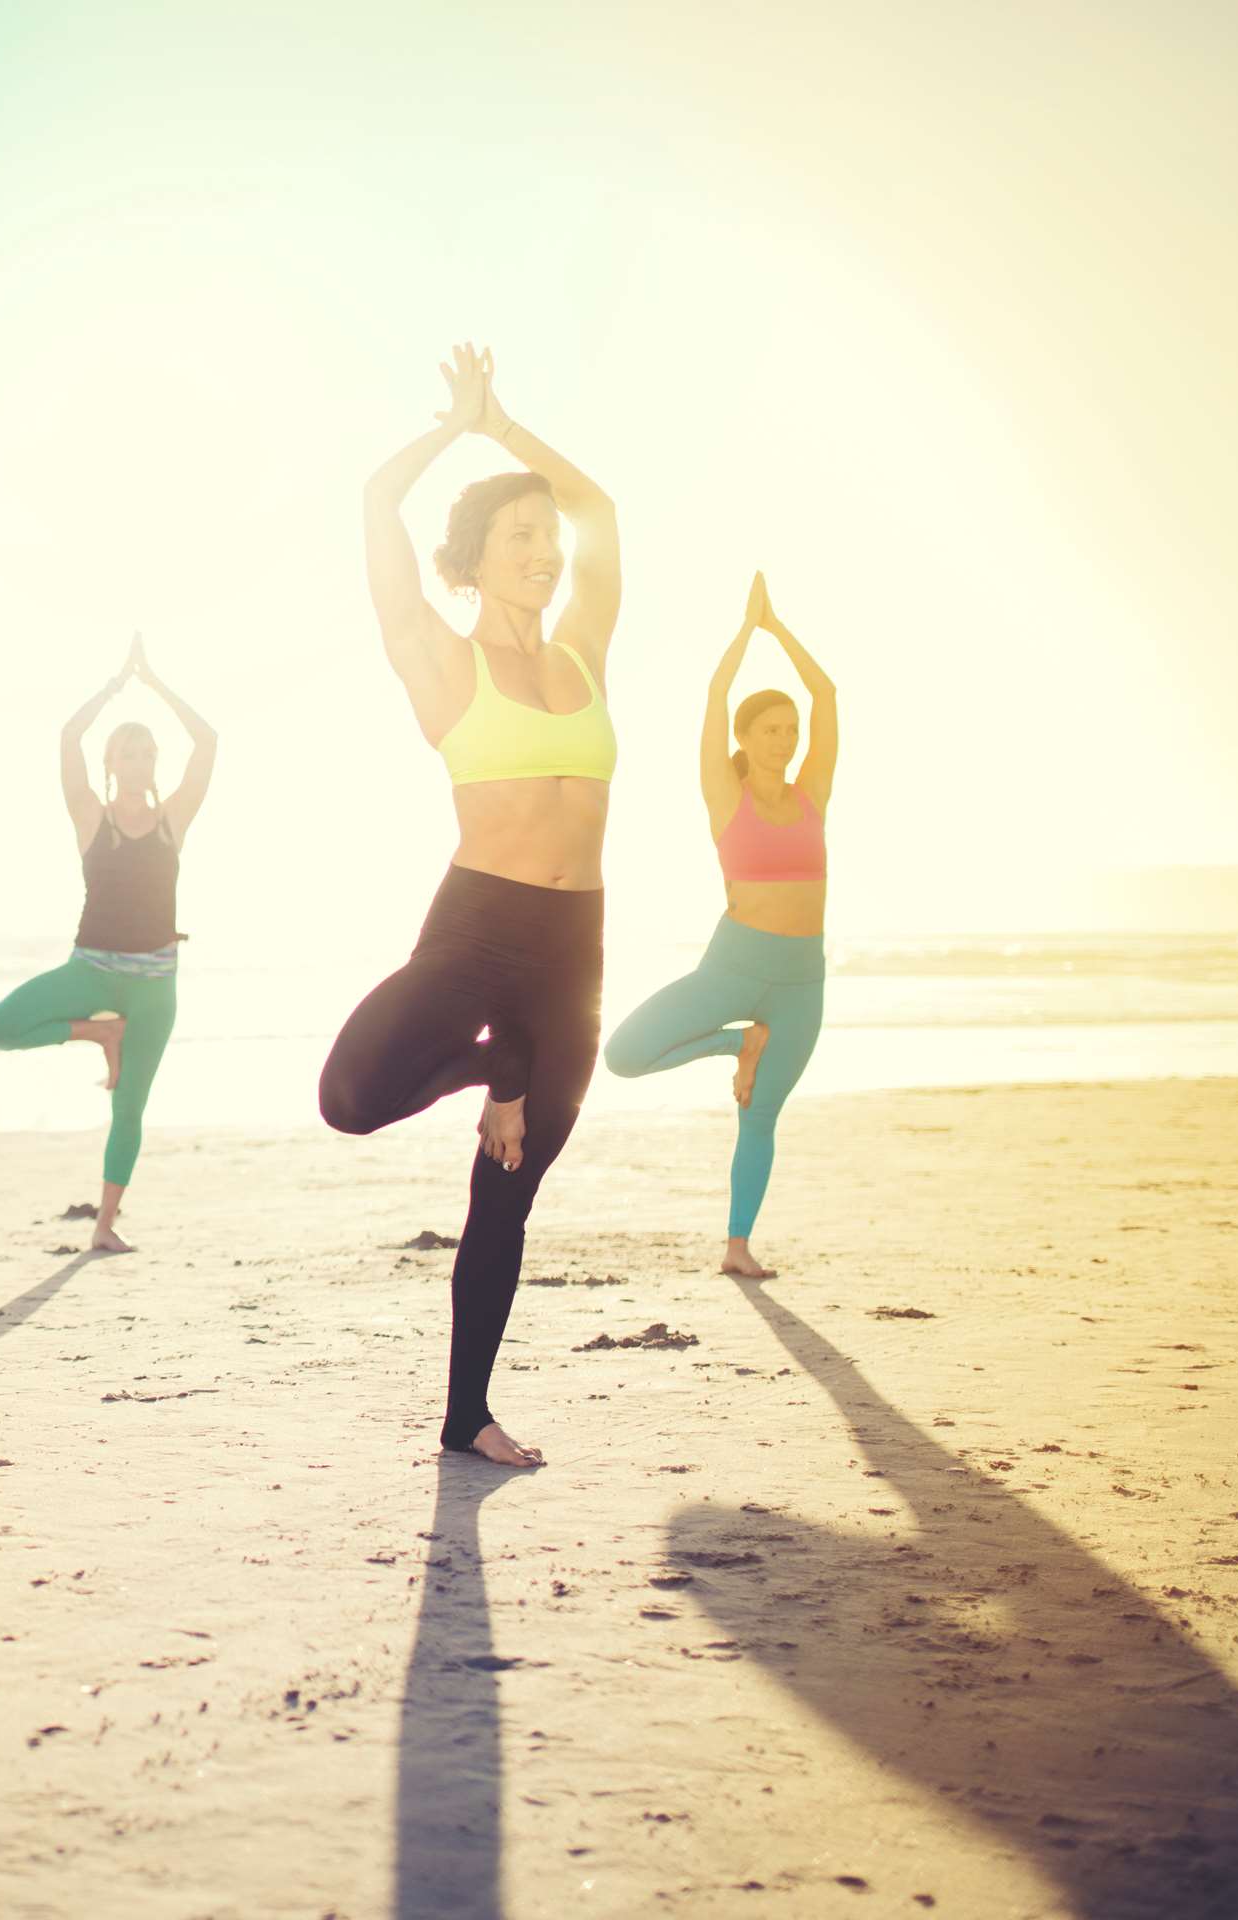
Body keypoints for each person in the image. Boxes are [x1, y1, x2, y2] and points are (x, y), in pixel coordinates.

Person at [318, 344, 620, 1468]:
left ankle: (466, 1415)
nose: (546, 550)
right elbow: (374, 501)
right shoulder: (439, 661)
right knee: (351, 1095)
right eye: (520, 538)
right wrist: (457, 430)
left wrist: (510, 424)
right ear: (477, 562)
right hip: (478, 929)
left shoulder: (586, 652)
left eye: (548, 538)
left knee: (511, 1189)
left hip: (574, 948)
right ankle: (492, 1067)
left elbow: (599, 505)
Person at [603, 572, 837, 1277]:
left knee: (760, 1118)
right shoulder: (724, 796)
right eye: (771, 729)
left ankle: (738, 1247)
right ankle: (736, 1043)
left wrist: (780, 628)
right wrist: (745, 632)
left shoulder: (811, 795)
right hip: (732, 965)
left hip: (802, 978)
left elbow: (826, 695)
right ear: (745, 735)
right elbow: (714, 697)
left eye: (791, 731)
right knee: (623, 1055)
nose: (785, 740)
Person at [0, 635, 218, 1252]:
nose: (138, 763)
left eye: (146, 753)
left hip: (154, 986)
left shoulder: (174, 819)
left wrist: (159, 684)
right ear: (112, 764)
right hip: (89, 971)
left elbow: (209, 741)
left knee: (129, 1109)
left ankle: (105, 1226)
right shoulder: (91, 817)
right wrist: (115, 687)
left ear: (153, 763)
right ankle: (98, 1033)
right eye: (127, 753)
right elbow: (67, 737)